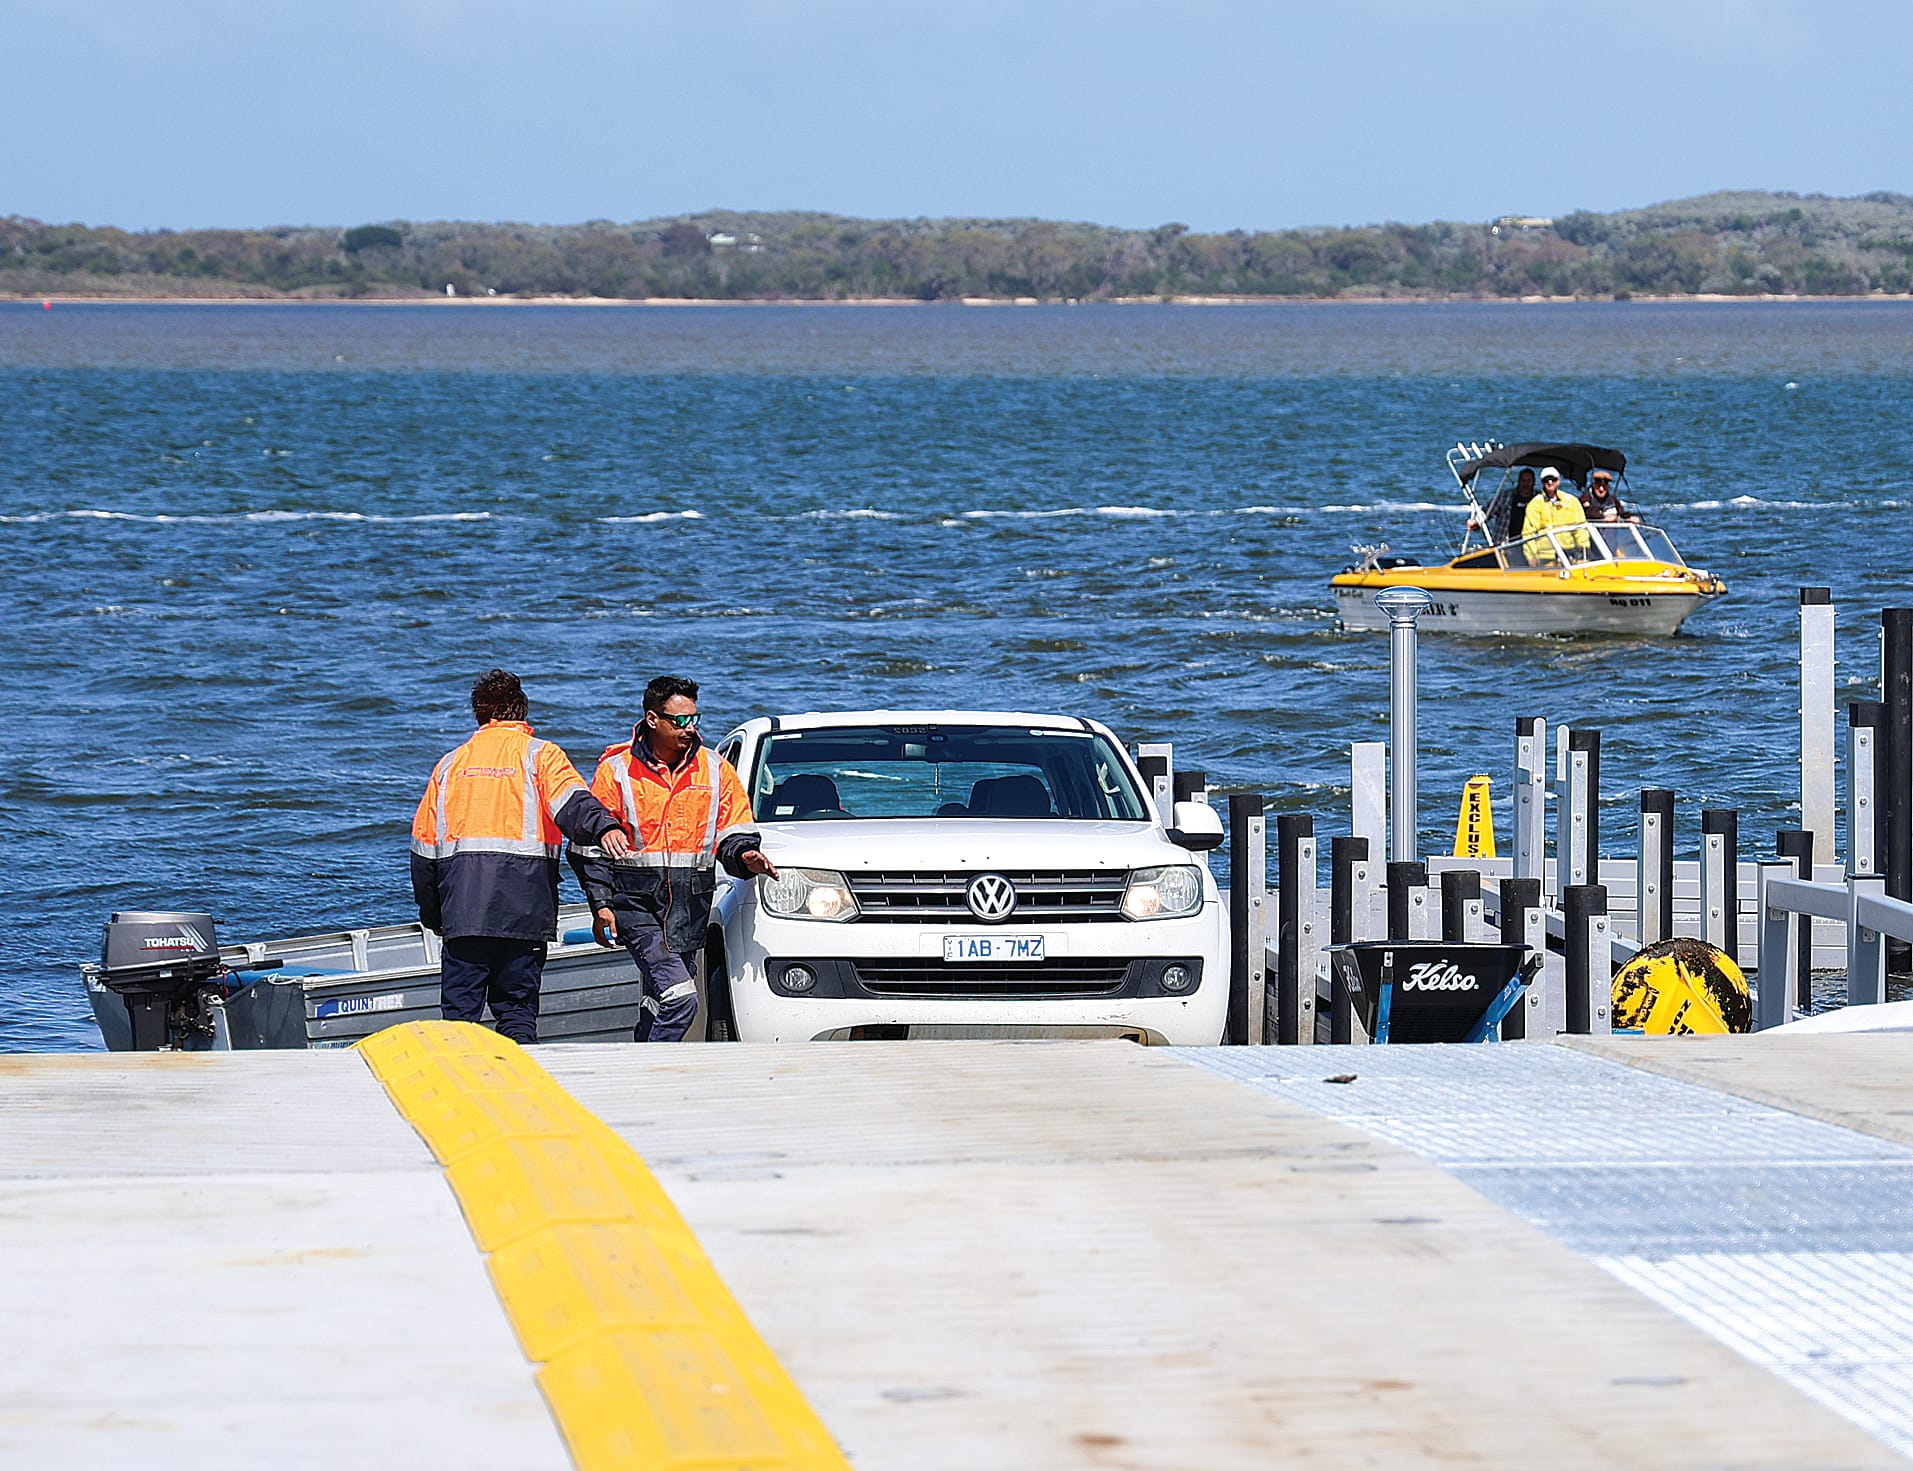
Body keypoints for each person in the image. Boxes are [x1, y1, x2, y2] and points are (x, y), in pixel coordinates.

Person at [411, 669, 631, 1043]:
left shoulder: (449, 765)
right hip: (524, 913)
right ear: (523, 712)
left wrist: (435, 916)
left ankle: (461, 1093)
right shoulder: (541, 756)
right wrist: (606, 827)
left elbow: (424, 853)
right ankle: (516, 1092)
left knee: (459, 1023)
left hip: (463, 915)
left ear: (480, 715)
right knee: (516, 1015)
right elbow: (575, 806)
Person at [571, 676, 777, 1042]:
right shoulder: (616, 771)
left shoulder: (715, 769)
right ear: (653, 720)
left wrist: (746, 857)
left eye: (695, 719)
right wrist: (601, 904)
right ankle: (653, 1073)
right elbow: (589, 845)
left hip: (687, 909)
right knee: (681, 999)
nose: (690, 728)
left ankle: (640, 1062)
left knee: (659, 999)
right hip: (635, 906)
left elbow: (734, 831)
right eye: (680, 720)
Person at [1520, 467, 1591, 564]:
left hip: (1570, 552)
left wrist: (1584, 551)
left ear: (1558, 481)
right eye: (1546, 480)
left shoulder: (1571, 501)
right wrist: (1531, 556)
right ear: (1542, 482)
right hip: (1545, 556)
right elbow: (1528, 533)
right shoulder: (1534, 504)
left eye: (1553, 479)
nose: (1550, 482)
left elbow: (1581, 528)